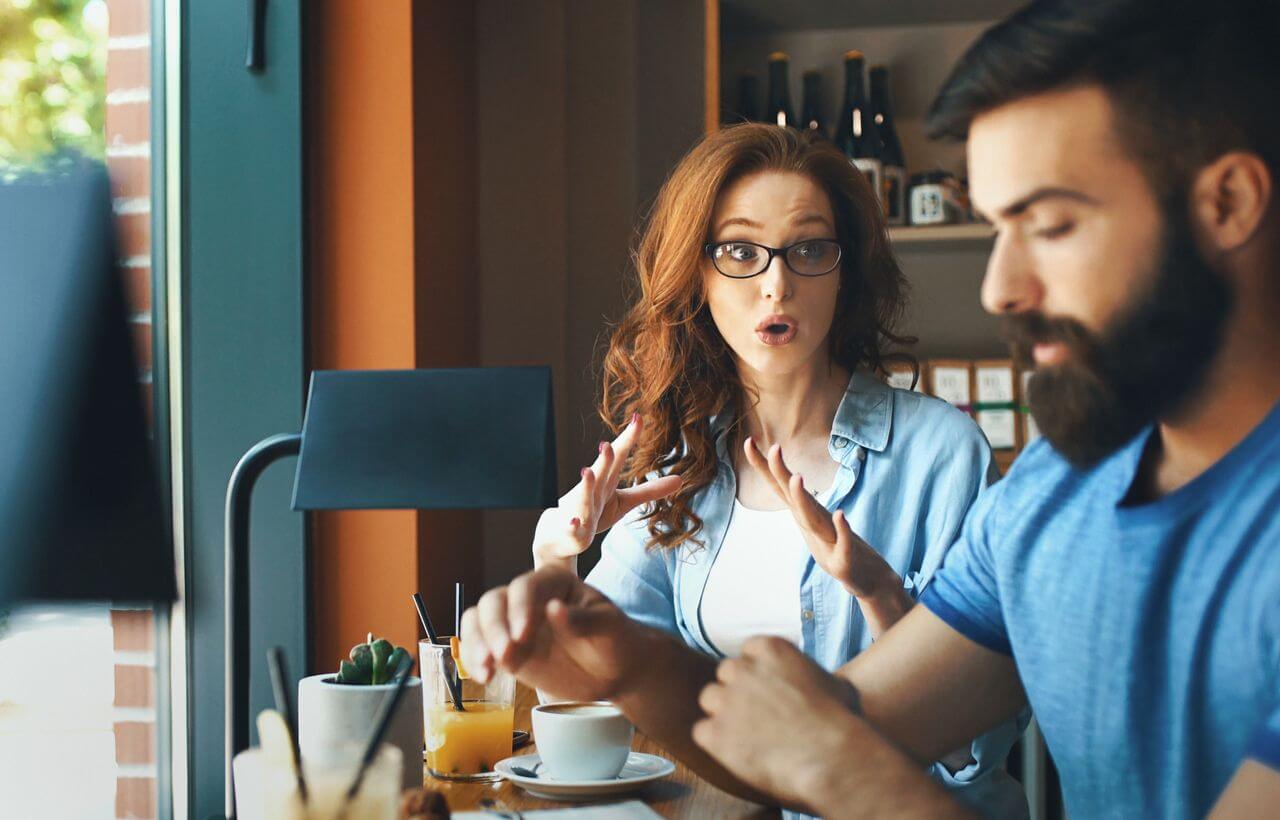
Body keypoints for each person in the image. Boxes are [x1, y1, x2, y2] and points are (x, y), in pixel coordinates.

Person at [461, 0, 1280, 817]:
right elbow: (841, 725)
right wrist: (625, 660)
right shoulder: (1051, 491)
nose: (1000, 288)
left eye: (1052, 224)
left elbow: (851, 754)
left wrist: (838, 766)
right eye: (996, 230)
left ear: (1229, 203)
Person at [516, 122, 1025, 814]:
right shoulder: (680, 462)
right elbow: (595, 698)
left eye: (809, 249)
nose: (776, 284)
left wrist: (881, 597)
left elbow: (977, 750)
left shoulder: (940, 451)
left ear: (845, 273)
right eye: (739, 251)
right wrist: (556, 559)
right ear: (697, 272)